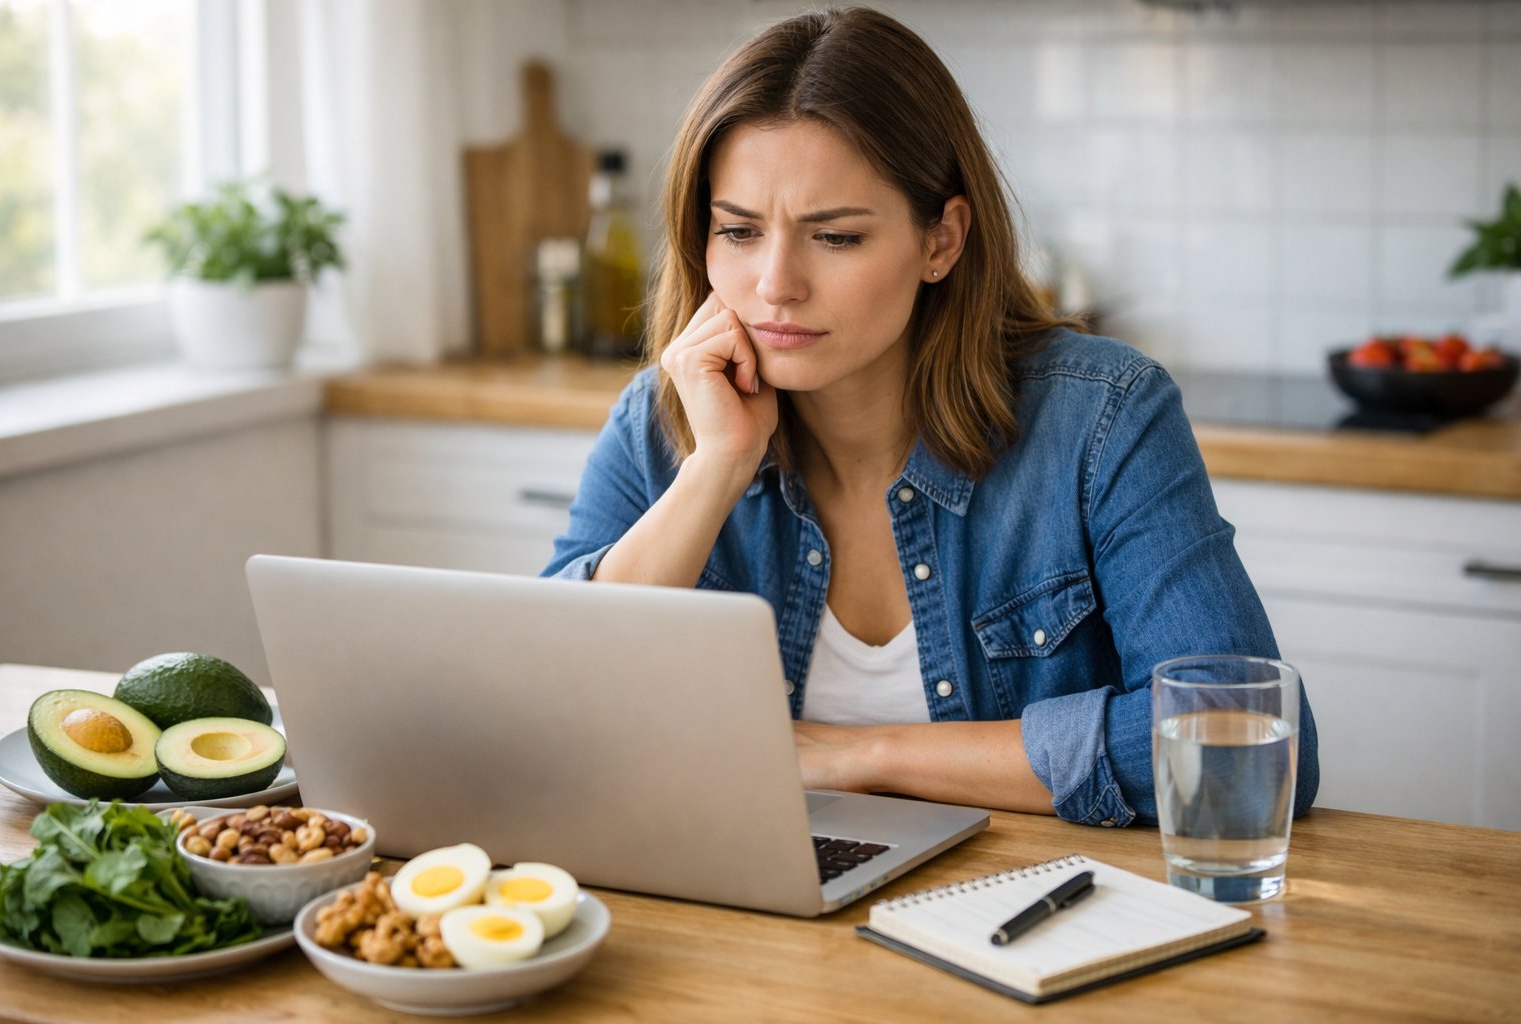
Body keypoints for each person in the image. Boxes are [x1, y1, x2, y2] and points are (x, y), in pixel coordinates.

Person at [542, 5, 1319, 827]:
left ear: (942, 240)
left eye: (834, 237)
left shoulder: (1102, 418)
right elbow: (553, 718)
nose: (775, 283)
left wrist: (866, 755)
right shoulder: (660, 425)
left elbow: (1245, 742)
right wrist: (716, 469)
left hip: (1028, 916)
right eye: (737, 231)